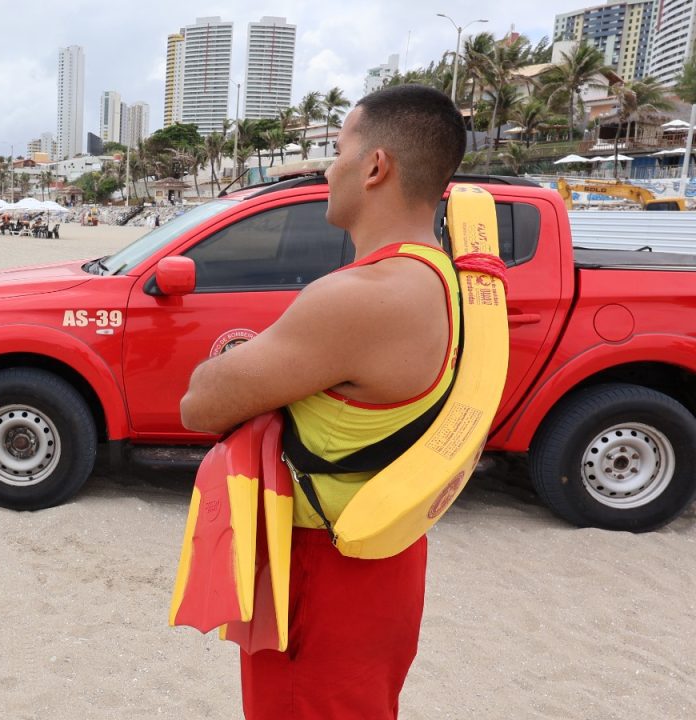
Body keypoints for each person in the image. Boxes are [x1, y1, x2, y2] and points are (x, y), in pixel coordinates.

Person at [178, 85, 467, 720]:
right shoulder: (443, 277)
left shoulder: (363, 296)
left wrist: (234, 355)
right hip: (385, 553)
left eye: (337, 150)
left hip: (322, 573)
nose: (326, 167)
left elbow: (199, 405)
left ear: (375, 166)